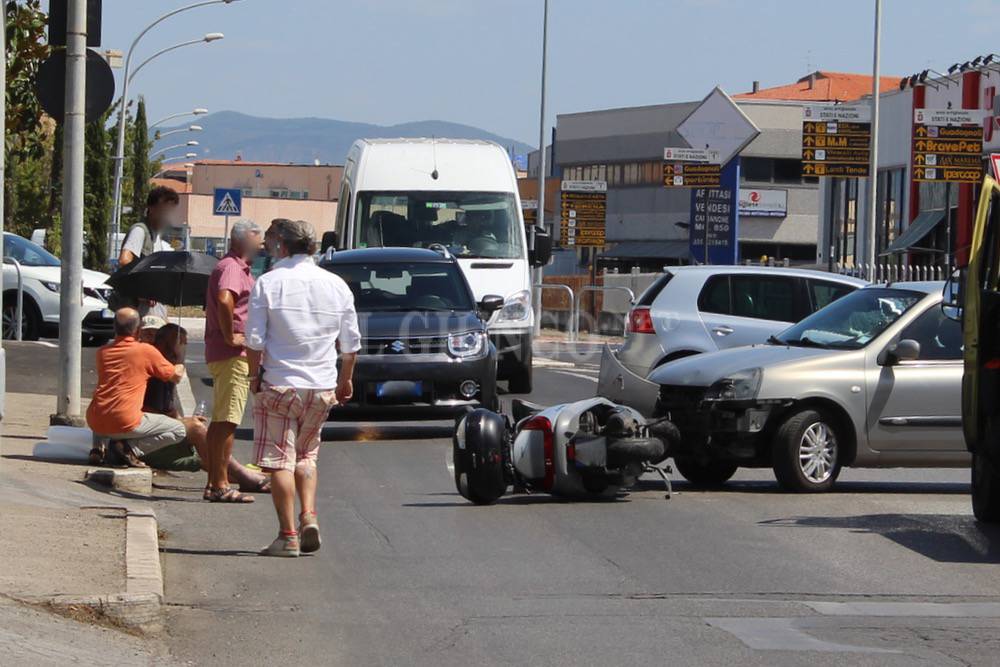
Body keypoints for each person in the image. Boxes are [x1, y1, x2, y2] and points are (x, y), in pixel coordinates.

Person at [247, 219, 360, 557]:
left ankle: (288, 536)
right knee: (307, 456)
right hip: (322, 384)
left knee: (280, 460)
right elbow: (351, 344)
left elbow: (254, 341)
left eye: (270, 243)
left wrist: (255, 375)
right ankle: (309, 514)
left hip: (280, 383)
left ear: (282, 245)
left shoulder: (267, 283)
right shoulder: (336, 284)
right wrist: (345, 379)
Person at [140, 323, 270, 493]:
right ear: (166, 344)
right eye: (180, 342)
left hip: (157, 430)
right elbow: (149, 411)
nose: (184, 348)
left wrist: (182, 420)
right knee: (200, 433)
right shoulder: (159, 371)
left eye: (185, 343)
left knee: (202, 432)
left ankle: (233, 474)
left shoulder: (169, 367)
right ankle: (236, 475)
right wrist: (185, 423)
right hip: (146, 437)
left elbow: (168, 410)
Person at [204, 220, 263, 503]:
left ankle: (214, 481)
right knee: (228, 421)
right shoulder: (231, 268)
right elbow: (225, 299)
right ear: (244, 241)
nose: (261, 246)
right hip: (232, 355)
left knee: (219, 422)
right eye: (258, 241)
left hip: (225, 354)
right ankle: (220, 484)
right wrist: (231, 336)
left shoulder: (232, 267)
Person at [86, 308, 187, 466]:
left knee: (105, 403)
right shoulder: (145, 351)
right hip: (125, 422)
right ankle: (128, 449)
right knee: (179, 430)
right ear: (138, 330)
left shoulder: (103, 352)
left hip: (95, 421)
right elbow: (176, 376)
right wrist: (180, 354)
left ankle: (97, 449)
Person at [115, 185, 179, 318]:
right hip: (136, 312)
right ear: (151, 208)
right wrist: (142, 290)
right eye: (164, 210)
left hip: (152, 311)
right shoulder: (140, 231)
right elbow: (124, 260)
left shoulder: (157, 236)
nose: (168, 215)